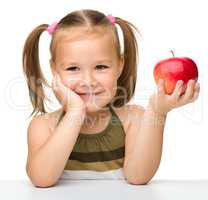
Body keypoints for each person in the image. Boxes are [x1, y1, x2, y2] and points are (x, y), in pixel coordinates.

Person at [22, 9, 200, 187]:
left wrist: (157, 112)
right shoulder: (44, 127)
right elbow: (42, 179)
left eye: (100, 67)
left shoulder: (133, 119)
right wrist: (75, 112)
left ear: (120, 65)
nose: (88, 81)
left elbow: (138, 177)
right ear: (54, 70)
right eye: (73, 68)